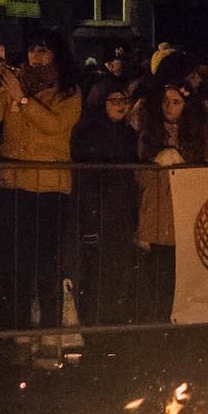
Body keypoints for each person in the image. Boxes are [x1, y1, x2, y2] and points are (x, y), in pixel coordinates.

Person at [0, 31, 82, 347]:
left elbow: (55, 126)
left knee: (46, 260)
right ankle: (16, 328)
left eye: (44, 50)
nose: (37, 56)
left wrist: (23, 99)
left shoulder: (68, 91)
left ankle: (50, 329)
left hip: (49, 184)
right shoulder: (14, 81)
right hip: (13, 181)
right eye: (33, 49)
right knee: (13, 260)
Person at [132, 77, 208, 320]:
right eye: (165, 101)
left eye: (176, 102)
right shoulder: (149, 132)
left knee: (186, 276)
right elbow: (141, 175)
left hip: (190, 213)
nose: (169, 107)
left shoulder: (199, 132)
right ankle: (159, 325)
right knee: (160, 277)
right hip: (160, 213)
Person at [72, 79, 140, 326]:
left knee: (117, 266)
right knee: (95, 268)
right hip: (96, 209)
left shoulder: (129, 133)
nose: (121, 106)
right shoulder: (88, 133)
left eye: (124, 100)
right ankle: (93, 320)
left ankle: (113, 317)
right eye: (115, 101)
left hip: (119, 209)